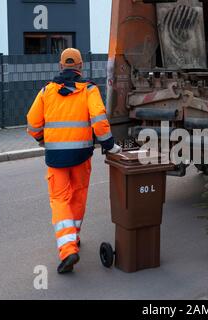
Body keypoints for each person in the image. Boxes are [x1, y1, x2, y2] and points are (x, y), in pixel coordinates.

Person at [27, 48, 122, 274]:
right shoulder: (89, 90)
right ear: (80, 67)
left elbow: (32, 123)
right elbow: (99, 121)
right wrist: (110, 145)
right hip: (81, 156)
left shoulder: (46, 91)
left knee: (60, 200)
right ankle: (74, 237)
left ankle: (68, 249)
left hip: (56, 158)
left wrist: (42, 138)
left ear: (61, 66)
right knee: (78, 196)